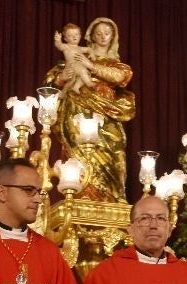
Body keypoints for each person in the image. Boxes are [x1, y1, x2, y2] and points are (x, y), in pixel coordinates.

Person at [45, 17, 136, 203]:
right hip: (76, 111)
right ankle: (80, 195)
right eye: (99, 33)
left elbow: (120, 77)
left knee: (114, 152)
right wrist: (61, 77)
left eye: (107, 33)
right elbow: (49, 85)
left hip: (106, 113)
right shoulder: (75, 56)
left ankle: (112, 198)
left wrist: (91, 66)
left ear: (113, 37)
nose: (103, 37)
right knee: (78, 153)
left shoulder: (114, 64)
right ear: (91, 36)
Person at [53, 23, 94, 93]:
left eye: (76, 34)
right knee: (83, 71)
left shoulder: (80, 48)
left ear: (80, 36)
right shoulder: (66, 47)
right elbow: (59, 46)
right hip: (72, 65)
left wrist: (92, 53)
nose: (74, 37)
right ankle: (89, 83)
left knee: (82, 76)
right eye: (70, 36)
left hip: (79, 66)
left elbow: (88, 49)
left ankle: (75, 87)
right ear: (65, 38)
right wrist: (58, 41)